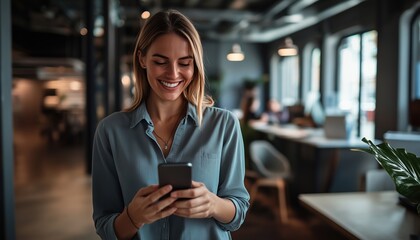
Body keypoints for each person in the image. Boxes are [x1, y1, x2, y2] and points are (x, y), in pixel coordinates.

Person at [91, 9, 249, 240]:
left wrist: (213, 205)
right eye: (160, 61)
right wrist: (134, 217)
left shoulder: (223, 125)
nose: (173, 74)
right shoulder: (111, 131)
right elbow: (106, 227)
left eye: (184, 63)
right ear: (142, 59)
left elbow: (239, 212)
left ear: (195, 65)